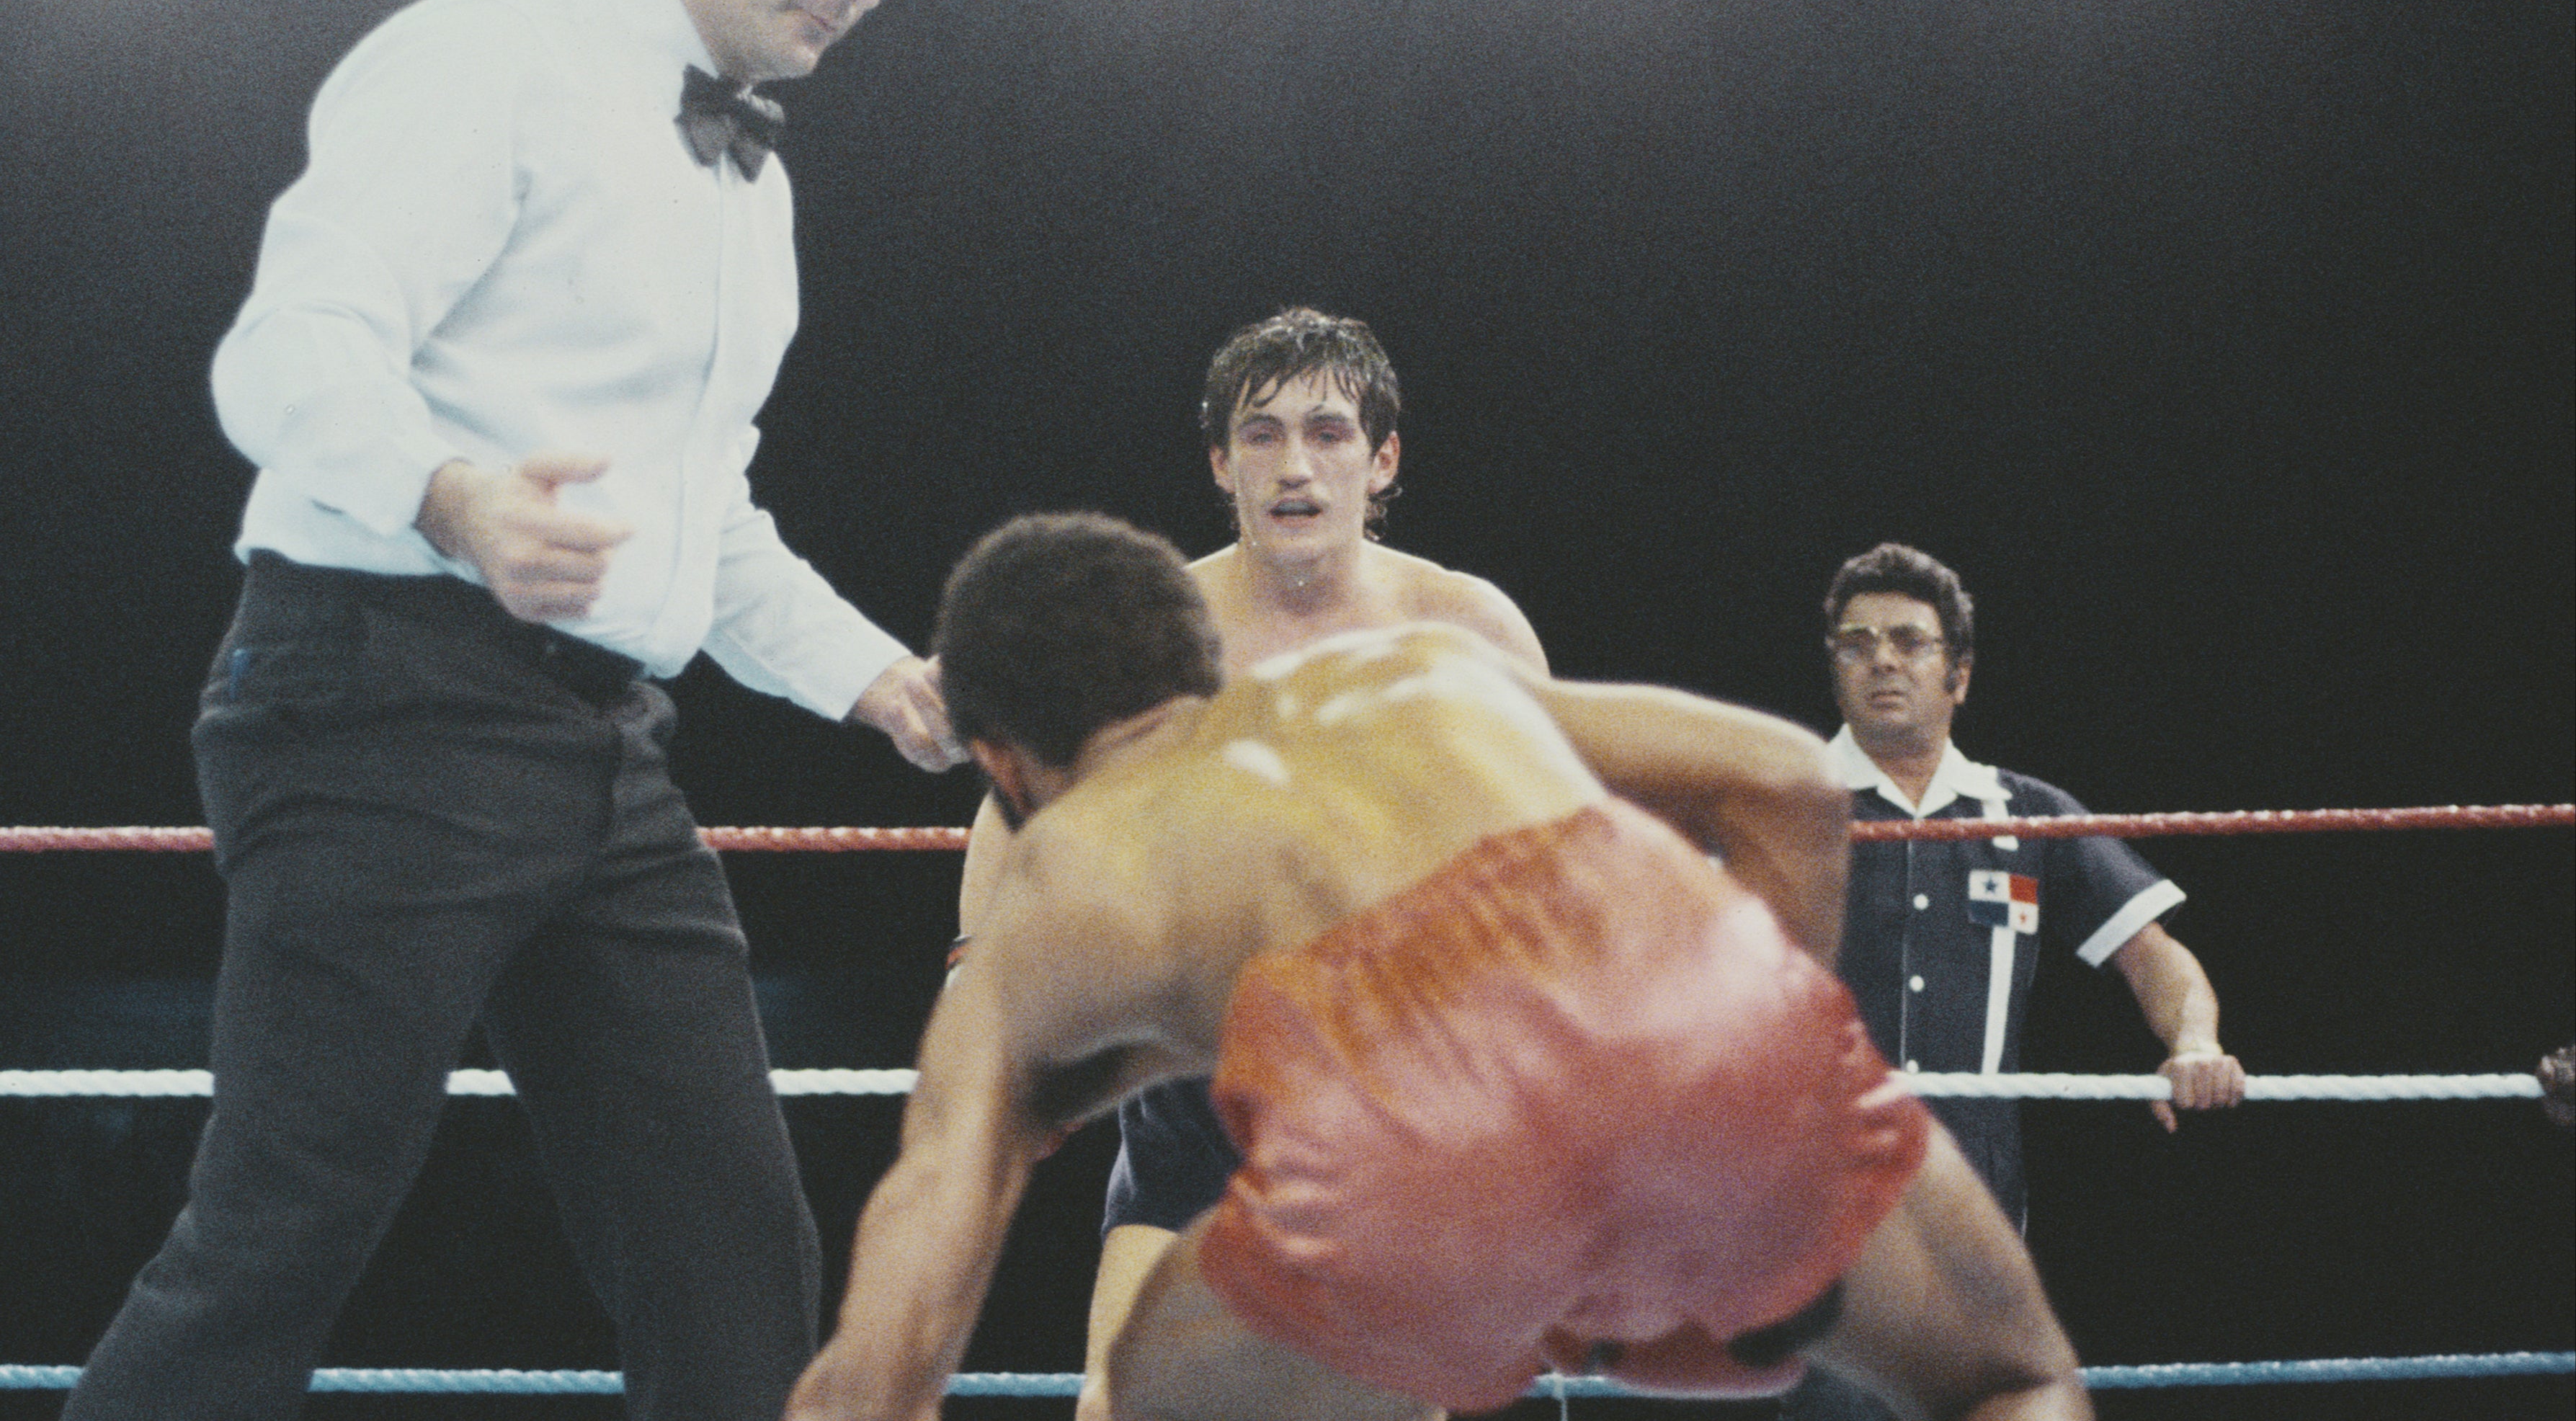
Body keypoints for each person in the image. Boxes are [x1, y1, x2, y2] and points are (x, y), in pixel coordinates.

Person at [65, 0, 953, 1421]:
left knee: (730, 1257)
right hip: (376, 696)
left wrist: (875, 673)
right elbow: (289, 347)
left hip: (600, 752)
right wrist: (453, 493)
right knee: (277, 1238)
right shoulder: (495, 57)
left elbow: (706, 518)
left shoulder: (748, 190)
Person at [788, 512, 2090, 1421]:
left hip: (1424, 1155)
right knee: (2010, 1377)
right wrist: (1754, 1048)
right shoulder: (1428, 667)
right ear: (1193, 659)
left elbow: (894, 1338)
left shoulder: (1062, 872)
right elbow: (1790, 778)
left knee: (1151, 1381)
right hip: (1693, 992)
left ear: (1004, 761)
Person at [949, 308, 1547, 1420]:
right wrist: (976, 979)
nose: (1294, 465)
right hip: (1192, 1079)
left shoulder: (1467, 627)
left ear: (1382, 459)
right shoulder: (1146, 631)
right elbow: (1012, 809)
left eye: (1326, 432)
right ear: (1221, 463)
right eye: (1262, 434)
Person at [1787, 543, 2244, 1421]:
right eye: (1857, 642)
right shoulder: (1779, 802)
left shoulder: (2024, 812)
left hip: (1978, 1231)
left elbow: (2153, 955)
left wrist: (2193, 1042)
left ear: (1956, 675)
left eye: (1908, 641)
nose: (1881, 658)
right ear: (1834, 667)